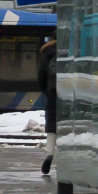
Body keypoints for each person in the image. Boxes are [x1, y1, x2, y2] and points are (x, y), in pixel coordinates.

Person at [36, 39, 57, 175]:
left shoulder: (47, 55)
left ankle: (49, 154)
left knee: (52, 130)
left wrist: (47, 92)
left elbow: (40, 77)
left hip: (52, 97)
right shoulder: (70, 51)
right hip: (68, 96)